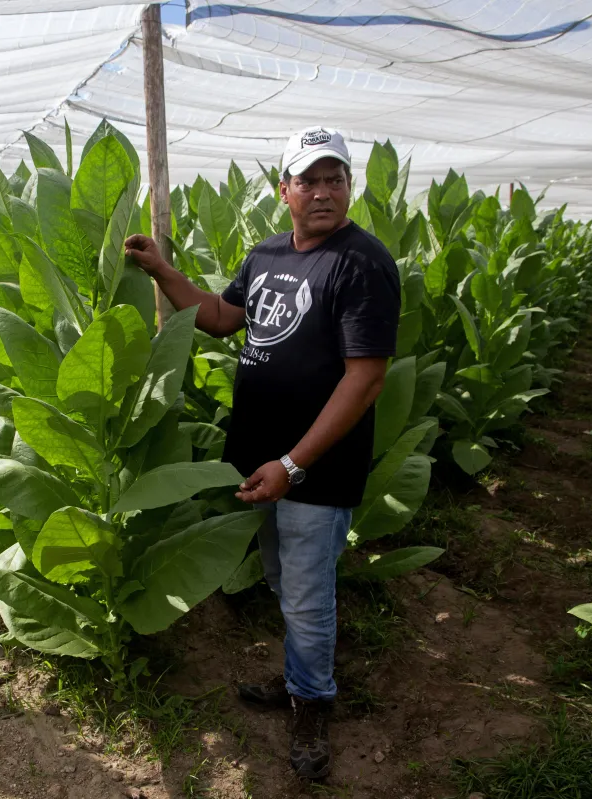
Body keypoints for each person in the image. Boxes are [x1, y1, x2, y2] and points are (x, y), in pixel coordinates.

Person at [123, 127, 400, 780]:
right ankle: (305, 672)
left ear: (349, 187)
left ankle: (311, 701)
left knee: (305, 592)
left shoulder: (363, 263)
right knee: (285, 581)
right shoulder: (268, 253)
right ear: (286, 191)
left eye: (335, 178)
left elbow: (366, 377)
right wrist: (162, 268)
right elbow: (222, 316)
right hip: (263, 462)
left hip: (312, 468)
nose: (323, 191)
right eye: (309, 179)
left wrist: (295, 464)